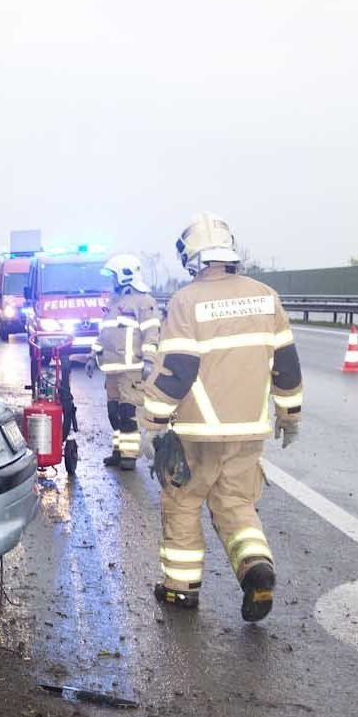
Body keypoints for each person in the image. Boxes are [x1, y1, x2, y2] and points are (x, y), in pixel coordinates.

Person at [139, 213, 303, 621]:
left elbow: (177, 368)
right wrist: (290, 412)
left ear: (192, 256)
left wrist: (153, 423)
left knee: (183, 501)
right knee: (236, 502)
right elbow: (286, 363)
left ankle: (180, 589)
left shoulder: (187, 300)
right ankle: (255, 568)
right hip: (249, 429)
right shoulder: (267, 296)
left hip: (198, 432)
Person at [94, 254, 161, 470]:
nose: (111, 281)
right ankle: (119, 450)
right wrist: (91, 356)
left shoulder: (144, 302)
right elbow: (104, 333)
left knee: (128, 414)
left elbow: (152, 333)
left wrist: (149, 360)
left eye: (114, 276)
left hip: (132, 369)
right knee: (114, 413)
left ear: (125, 275)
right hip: (111, 367)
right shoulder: (113, 302)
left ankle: (129, 455)